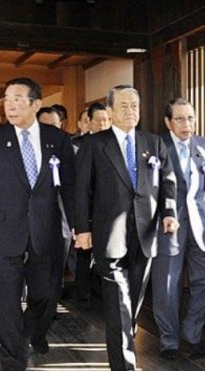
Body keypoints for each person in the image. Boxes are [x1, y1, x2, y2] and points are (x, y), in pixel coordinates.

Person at [0, 77, 75, 370]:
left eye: (18, 98)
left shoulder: (58, 139)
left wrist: (81, 226)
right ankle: (12, 360)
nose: (10, 104)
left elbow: (68, 187)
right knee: (6, 301)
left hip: (46, 229)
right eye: (7, 99)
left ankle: (26, 332)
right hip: (5, 231)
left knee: (46, 294)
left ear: (36, 104)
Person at [74, 85, 179, 370]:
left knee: (132, 300)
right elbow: (81, 190)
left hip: (145, 234)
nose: (130, 110)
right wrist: (82, 229)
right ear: (109, 110)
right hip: (109, 235)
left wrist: (168, 213)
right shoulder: (95, 144)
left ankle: (124, 342)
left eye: (135, 105)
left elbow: (168, 182)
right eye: (123, 105)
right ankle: (123, 365)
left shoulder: (153, 142)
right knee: (118, 298)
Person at [152, 98, 205, 360]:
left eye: (191, 118)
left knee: (203, 281)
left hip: (202, 226)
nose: (187, 124)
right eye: (180, 119)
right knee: (167, 284)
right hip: (170, 226)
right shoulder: (157, 145)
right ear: (168, 122)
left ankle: (192, 332)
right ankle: (168, 339)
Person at [74, 102, 110, 306]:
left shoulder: (114, 143)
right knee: (84, 255)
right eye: (98, 120)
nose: (102, 124)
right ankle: (83, 294)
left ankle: (102, 293)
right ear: (89, 122)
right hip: (88, 208)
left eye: (106, 120)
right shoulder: (83, 144)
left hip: (107, 210)